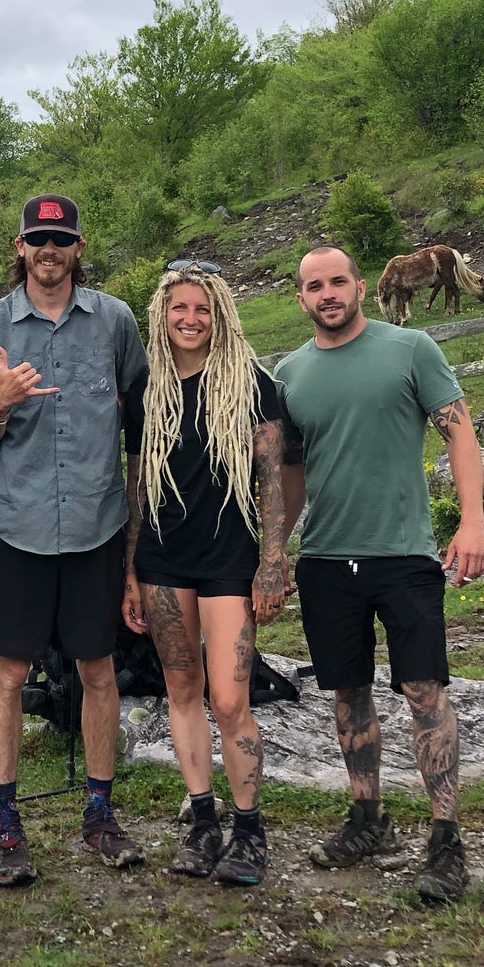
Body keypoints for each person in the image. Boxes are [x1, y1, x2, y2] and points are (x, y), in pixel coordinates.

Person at [274, 245, 484, 904]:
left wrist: (472, 522)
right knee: (346, 692)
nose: (328, 293)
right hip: (328, 559)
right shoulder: (289, 374)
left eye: (338, 281)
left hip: (404, 554)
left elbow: (459, 432)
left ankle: (446, 840)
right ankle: (368, 818)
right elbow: (291, 472)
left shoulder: (411, 348)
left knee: (424, 691)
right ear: (302, 298)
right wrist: (274, 550)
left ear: (361, 287)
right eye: (315, 285)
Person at [0, 194, 150, 887]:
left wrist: (135, 526)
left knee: (98, 669)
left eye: (60, 239)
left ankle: (99, 810)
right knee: (9, 672)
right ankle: (5, 820)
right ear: (19, 247)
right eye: (37, 239)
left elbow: (138, 420)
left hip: (98, 526)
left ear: (77, 245)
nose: (49, 250)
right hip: (20, 528)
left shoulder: (116, 321)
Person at [120, 260, 290, 886]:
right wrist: (130, 571)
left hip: (228, 558)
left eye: (203, 309)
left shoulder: (252, 384)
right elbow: (137, 486)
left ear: (220, 316)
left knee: (229, 698)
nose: (190, 320)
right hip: (163, 559)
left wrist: (273, 560)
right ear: (162, 316)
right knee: (181, 691)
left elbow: (273, 483)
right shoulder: (146, 393)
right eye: (179, 309)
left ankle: (249, 828)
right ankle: (202, 820)